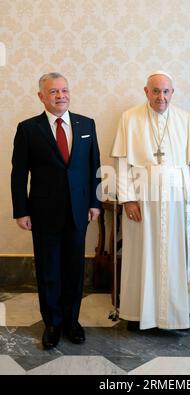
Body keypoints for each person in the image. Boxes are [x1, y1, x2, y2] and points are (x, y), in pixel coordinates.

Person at [111, 71, 190, 334]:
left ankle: (177, 313)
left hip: (178, 200)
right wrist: (128, 198)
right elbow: (122, 162)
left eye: (166, 91)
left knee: (177, 253)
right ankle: (137, 311)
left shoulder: (185, 120)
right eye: (155, 91)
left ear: (172, 93)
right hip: (143, 201)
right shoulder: (129, 118)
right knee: (141, 254)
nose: (161, 97)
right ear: (146, 91)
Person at [11, 72, 101, 349]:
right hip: (43, 212)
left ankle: (72, 321)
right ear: (41, 96)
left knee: (74, 269)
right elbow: (19, 174)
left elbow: (94, 167)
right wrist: (21, 211)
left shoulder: (86, 124)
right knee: (49, 269)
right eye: (53, 92)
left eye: (64, 90)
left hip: (78, 211)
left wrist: (95, 203)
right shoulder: (28, 128)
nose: (61, 96)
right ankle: (52, 322)